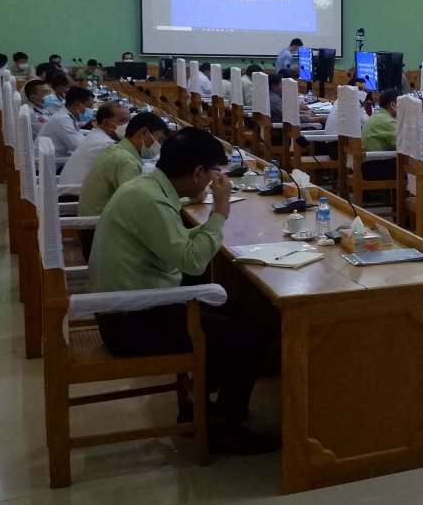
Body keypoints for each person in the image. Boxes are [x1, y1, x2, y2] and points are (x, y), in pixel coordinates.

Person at [88, 127, 274, 454]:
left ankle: (201, 409)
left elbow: (175, 244)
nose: (213, 180)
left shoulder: (148, 188)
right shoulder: (149, 201)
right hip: (130, 321)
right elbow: (193, 262)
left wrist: (204, 213)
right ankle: (224, 429)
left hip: (137, 301)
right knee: (247, 336)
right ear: (198, 171)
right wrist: (220, 211)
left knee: (238, 310)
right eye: (212, 172)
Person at [79, 111, 169, 217]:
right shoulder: (127, 161)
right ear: (144, 133)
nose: (159, 145)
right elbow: (134, 204)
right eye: (159, 140)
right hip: (97, 222)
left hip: (97, 215)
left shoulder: (116, 148)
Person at [60, 102, 131, 187]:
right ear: (106, 123)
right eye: (123, 121)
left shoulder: (96, 135)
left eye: (129, 121)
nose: (127, 126)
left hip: (74, 187)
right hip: (77, 192)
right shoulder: (105, 144)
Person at [43, 86, 94, 158]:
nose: (89, 110)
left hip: (56, 157)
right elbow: (80, 148)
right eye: (88, 106)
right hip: (54, 162)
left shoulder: (66, 115)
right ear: (77, 104)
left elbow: (76, 131)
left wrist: (93, 133)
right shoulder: (62, 119)